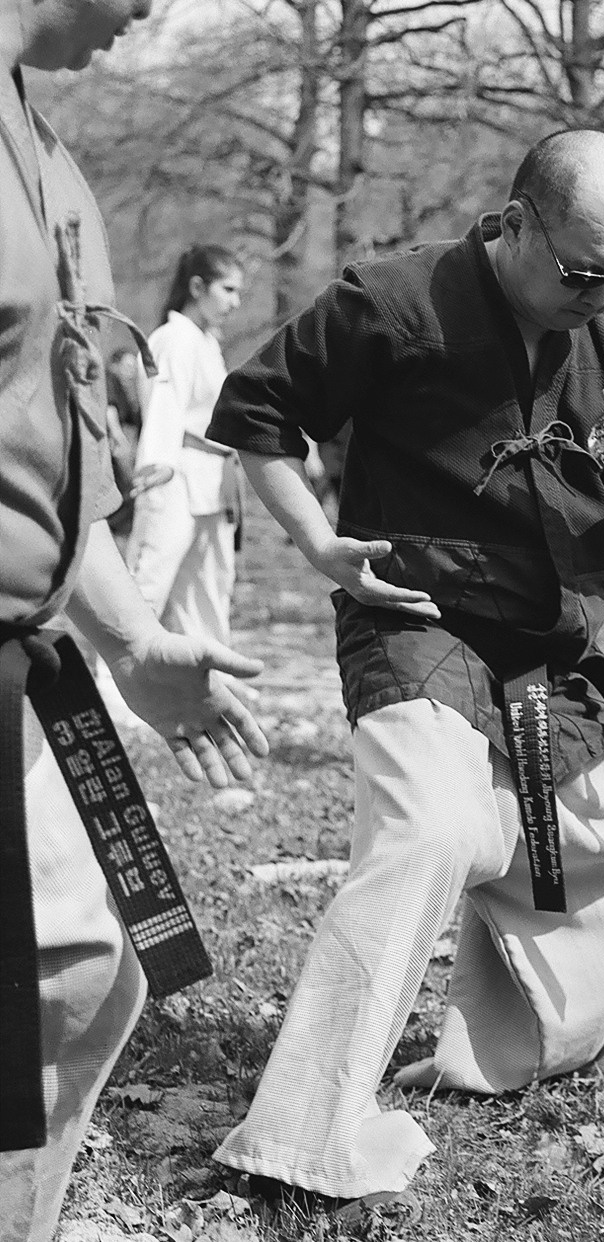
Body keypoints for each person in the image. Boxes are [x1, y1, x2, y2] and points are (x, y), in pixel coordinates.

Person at [204, 129, 604, 1211]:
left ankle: (509, 1051)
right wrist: (316, 542)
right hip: (417, 623)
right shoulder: (395, 302)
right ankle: (302, 1132)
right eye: (582, 272)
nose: (602, 295)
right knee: (431, 835)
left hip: (551, 651)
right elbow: (259, 412)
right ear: (518, 223)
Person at [0, 6, 269, 1241]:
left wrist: (132, 642)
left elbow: (54, 438)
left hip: (35, 644)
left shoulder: (48, 155)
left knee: (85, 974)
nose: (160, 8)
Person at [125, 245, 245, 649]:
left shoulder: (205, 342)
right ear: (197, 287)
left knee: (210, 587)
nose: (235, 302)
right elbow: (164, 404)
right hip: (175, 474)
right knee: (149, 581)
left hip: (213, 479)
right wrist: (157, 465)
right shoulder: (172, 338)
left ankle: (211, 674)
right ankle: (115, 678)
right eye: (227, 289)